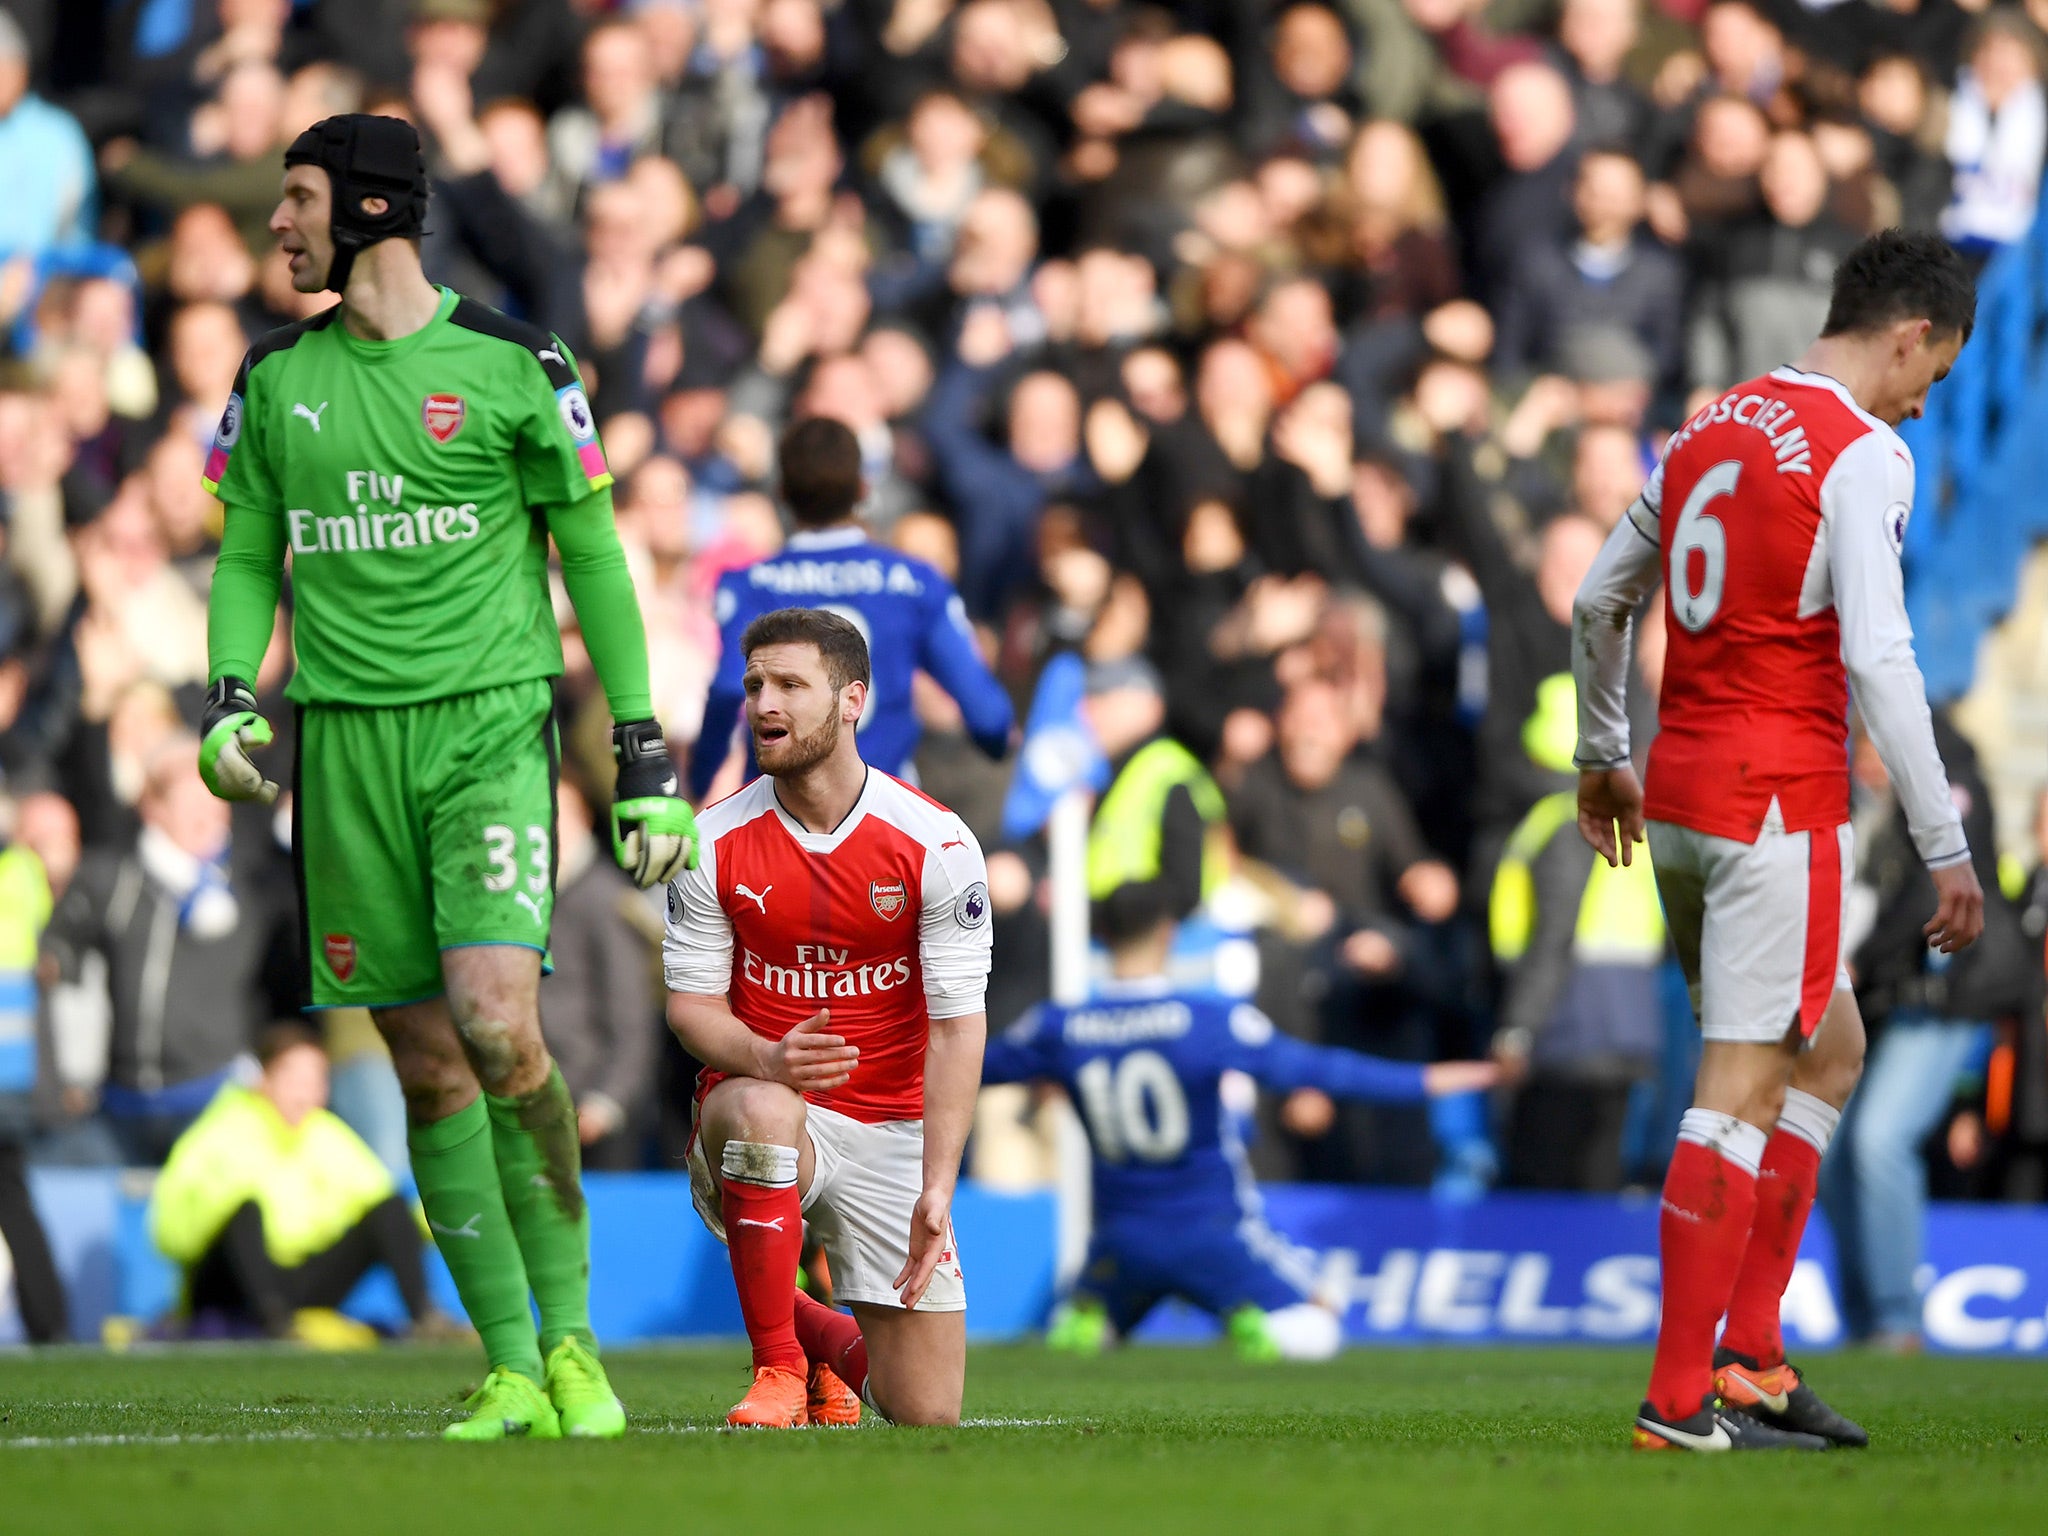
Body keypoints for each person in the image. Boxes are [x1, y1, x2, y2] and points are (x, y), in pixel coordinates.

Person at [195, 114, 701, 1441]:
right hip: (346, 745)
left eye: (296, 199)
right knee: (426, 1065)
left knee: (496, 1023)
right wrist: (232, 695)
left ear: (366, 211)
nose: (278, 224)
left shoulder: (518, 363)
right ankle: (512, 1362)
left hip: (487, 728)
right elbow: (250, 553)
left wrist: (642, 745)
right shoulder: (271, 377)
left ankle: (578, 1340)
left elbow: (593, 554)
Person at [1572, 229, 1984, 1452]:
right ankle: (1673, 1398)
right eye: (1936, 371)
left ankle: (1750, 1355)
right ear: (1910, 332)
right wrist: (1943, 839)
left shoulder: (1709, 425)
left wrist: (1603, 751)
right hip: (1775, 804)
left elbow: (1602, 593)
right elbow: (1875, 654)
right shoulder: (1864, 452)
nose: (1925, 399)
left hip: (1680, 800)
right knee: (1736, 1089)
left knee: (1829, 1049)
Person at [665, 607, 992, 1428]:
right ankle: (776, 1365)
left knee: (926, 1414)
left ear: (853, 700)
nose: (763, 704)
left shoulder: (935, 844)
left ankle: (818, 1341)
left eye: (788, 685)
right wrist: (767, 1058)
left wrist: (939, 1183)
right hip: (755, 1119)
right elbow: (690, 1008)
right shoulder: (710, 840)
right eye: (753, 686)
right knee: (763, 1111)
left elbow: (958, 1026)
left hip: (890, 1128)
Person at [981, 880, 1498, 1360]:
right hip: (1211, 1229)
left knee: (1096, 1313)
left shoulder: (1060, 1026)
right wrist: (1430, 1079)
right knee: (1322, 1317)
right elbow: (1323, 1070)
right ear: (1170, 934)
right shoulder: (1207, 1021)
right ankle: (1252, 1320)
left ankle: (1092, 1317)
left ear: (1102, 935)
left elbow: (975, 1064)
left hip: (1119, 1237)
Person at [689, 417, 1014, 800]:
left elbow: (729, 690)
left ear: (782, 494)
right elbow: (987, 713)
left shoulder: (749, 585)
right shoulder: (915, 582)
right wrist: (997, 743)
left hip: (781, 814)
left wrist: (700, 778)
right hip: (885, 818)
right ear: (863, 488)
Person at [149, 1023, 452, 1346]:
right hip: (227, 1285)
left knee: (389, 1207)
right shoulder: (219, 1130)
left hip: (297, 1282)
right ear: (264, 1079)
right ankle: (275, 1324)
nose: (305, 1091)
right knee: (244, 1212)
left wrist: (447, 1222)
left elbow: (381, 1200)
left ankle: (426, 1318)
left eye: (316, 1079)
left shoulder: (326, 1134)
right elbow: (169, 1232)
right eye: (294, 1078)